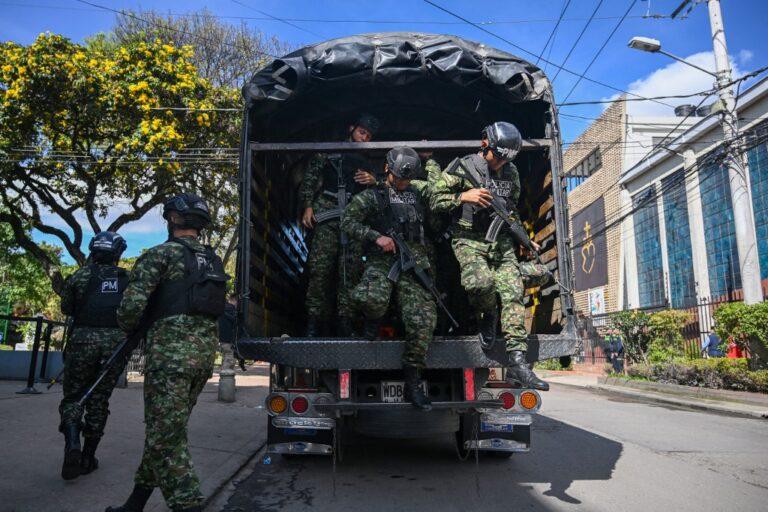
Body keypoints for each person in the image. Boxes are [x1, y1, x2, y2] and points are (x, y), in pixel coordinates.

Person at [108, 193, 226, 512]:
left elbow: (130, 309)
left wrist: (129, 328)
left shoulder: (159, 255)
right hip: (203, 359)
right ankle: (135, 503)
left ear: (173, 219)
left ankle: (187, 503)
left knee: (165, 436)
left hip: (169, 360)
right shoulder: (212, 260)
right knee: (166, 431)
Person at [430, 122, 549, 391]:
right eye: (499, 157)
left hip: (501, 241)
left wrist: (524, 238)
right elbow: (434, 200)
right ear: (485, 145)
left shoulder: (511, 172)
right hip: (468, 238)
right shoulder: (464, 166)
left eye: (507, 159)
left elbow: (510, 210)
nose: (501, 163)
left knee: (513, 291)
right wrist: (463, 196)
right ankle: (488, 314)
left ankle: (517, 360)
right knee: (480, 284)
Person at [341, 146, 437, 409]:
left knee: (423, 321)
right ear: (387, 169)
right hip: (382, 260)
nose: (404, 183)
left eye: (408, 178)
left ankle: (413, 381)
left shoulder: (419, 191)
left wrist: (432, 162)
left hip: (413, 262)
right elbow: (348, 221)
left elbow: (440, 193)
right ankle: (371, 321)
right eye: (400, 177)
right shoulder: (373, 196)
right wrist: (376, 237)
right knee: (372, 298)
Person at [299, 114, 381, 336]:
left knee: (349, 274)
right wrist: (308, 206)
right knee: (319, 271)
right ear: (351, 128)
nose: (364, 138)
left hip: (353, 219)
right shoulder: (329, 150)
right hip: (327, 214)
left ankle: (346, 323)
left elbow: (382, 194)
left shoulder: (369, 162)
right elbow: (310, 179)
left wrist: (374, 180)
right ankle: (313, 323)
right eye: (362, 132)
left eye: (369, 136)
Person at [58, 231, 129, 480]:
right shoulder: (127, 279)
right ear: (117, 253)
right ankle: (88, 458)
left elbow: (66, 307)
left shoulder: (80, 275)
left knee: (73, 397)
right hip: (114, 347)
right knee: (99, 401)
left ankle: (72, 443)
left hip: (81, 342)